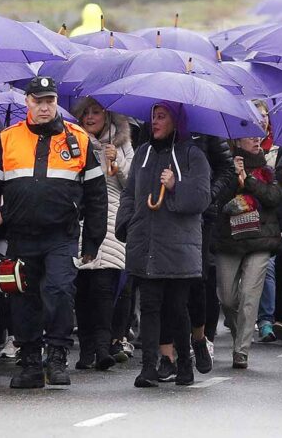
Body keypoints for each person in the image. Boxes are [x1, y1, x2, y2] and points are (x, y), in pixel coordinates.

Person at [0, 76, 107, 390]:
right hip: (21, 236)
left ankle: (57, 357)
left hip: (62, 235)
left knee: (59, 292)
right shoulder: (7, 139)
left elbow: (97, 194)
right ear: (27, 103)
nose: (44, 107)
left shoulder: (79, 139)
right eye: (38, 101)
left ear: (56, 102)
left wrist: (94, 240)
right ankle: (31, 361)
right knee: (22, 299)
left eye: (50, 101)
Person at [116, 103, 212, 388]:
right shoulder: (143, 153)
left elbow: (201, 198)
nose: (155, 122)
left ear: (176, 121)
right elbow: (130, 192)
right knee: (149, 304)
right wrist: (126, 224)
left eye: (162, 117)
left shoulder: (193, 155)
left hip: (178, 247)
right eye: (153, 117)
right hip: (145, 242)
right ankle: (149, 367)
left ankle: (185, 363)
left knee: (176, 307)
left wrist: (175, 186)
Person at [71, 97, 133, 371]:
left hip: (111, 218)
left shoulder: (121, 144)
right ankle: (86, 350)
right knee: (82, 288)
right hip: (82, 216)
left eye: (96, 112)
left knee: (104, 287)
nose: (90, 117)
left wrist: (116, 161)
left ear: (107, 116)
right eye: (85, 113)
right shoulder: (72, 140)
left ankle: (103, 346)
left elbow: (132, 184)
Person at [214, 134, 282, 369]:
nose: (255, 140)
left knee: (249, 297)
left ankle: (241, 349)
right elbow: (217, 199)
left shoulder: (266, 169)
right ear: (236, 141)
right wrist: (234, 176)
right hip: (229, 240)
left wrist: (249, 180)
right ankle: (239, 334)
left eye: (258, 136)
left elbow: (274, 197)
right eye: (249, 137)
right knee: (227, 298)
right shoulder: (225, 166)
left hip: (260, 241)